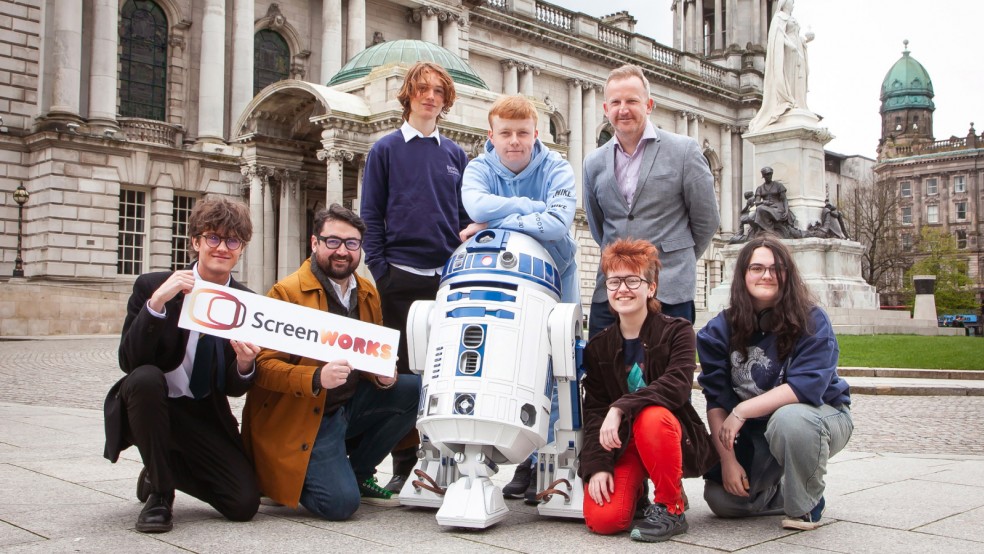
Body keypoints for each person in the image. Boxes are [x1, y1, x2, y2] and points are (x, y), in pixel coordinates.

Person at [242, 204, 420, 519]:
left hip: (346, 406)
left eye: (351, 243)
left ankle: (358, 471)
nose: (342, 251)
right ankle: (276, 478)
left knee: (414, 389)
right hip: (304, 415)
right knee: (340, 506)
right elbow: (264, 369)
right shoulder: (286, 293)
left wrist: (380, 375)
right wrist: (315, 378)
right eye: (333, 241)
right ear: (315, 243)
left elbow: (368, 357)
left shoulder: (367, 292)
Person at [103, 197, 261, 533]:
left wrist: (246, 365)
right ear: (196, 242)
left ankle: (160, 466)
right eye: (213, 238)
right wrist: (157, 304)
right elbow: (129, 362)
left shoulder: (248, 303)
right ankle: (161, 494)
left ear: (242, 247)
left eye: (232, 240)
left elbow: (233, 388)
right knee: (145, 378)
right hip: (148, 401)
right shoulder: (153, 286)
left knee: (243, 503)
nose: (222, 248)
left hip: (203, 411)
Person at [360, 61, 477, 492]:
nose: (431, 96)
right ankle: (402, 459)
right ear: (408, 95)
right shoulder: (385, 149)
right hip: (399, 278)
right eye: (423, 89)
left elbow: (465, 217)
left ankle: (443, 457)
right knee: (401, 374)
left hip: (445, 279)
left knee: (442, 371)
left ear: (446, 100)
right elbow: (370, 215)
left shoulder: (455, 155)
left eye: (439, 91)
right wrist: (381, 271)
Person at [461, 94, 579, 501]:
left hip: (557, 273)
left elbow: (558, 222)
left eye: (523, 133)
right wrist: (532, 207)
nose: (514, 141)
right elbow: (474, 203)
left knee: (560, 360)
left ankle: (552, 459)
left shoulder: (558, 167)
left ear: (536, 134)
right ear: (490, 135)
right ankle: (522, 459)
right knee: (509, 359)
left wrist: (494, 221)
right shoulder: (479, 167)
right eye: (505, 133)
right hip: (499, 276)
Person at [696, 234, 853, 531]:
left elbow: (805, 388)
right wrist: (728, 461)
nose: (766, 275)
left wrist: (741, 411)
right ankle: (780, 489)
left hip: (819, 416)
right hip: (760, 432)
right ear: (743, 275)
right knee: (723, 500)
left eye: (775, 268)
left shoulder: (812, 321)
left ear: (787, 275)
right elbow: (716, 401)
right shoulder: (718, 331)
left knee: (790, 419)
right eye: (757, 268)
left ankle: (805, 504)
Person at [578, 239, 716, 542]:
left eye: (633, 280)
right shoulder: (599, 345)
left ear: (651, 287)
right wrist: (597, 465)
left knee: (652, 415)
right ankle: (637, 491)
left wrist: (621, 406)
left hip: (666, 433)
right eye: (614, 281)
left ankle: (671, 505)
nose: (622, 289)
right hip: (623, 441)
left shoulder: (677, 330)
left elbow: (676, 387)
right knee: (604, 520)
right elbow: (595, 411)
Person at [584, 64, 719, 336]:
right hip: (611, 292)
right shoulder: (593, 162)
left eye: (632, 100)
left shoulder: (684, 151)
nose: (624, 109)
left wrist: (674, 258)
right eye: (616, 102)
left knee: (666, 374)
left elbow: (707, 220)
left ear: (649, 105)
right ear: (605, 109)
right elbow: (599, 226)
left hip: (669, 288)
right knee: (604, 375)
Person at [748, 0, 814, 132]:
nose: (793, 3)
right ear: (784, 3)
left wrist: (804, 40)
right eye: (791, 1)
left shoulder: (792, 19)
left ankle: (796, 102)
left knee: (796, 82)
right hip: (787, 54)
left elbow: (794, 36)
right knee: (787, 76)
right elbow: (777, 37)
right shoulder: (778, 17)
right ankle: (787, 99)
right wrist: (791, 45)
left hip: (797, 53)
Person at [751, 167, 800, 239]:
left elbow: (784, 199)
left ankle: (769, 231)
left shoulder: (778, 185)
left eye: (770, 174)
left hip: (777, 208)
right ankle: (768, 230)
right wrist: (764, 202)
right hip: (765, 207)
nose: (769, 176)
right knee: (751, 217)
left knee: (760, 209)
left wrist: (786, 211)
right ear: (763, 176)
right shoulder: (760, 188)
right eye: (767, 174)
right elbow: (757, 203)